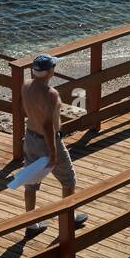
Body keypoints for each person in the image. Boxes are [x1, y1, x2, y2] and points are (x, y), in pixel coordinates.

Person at [21, 54, 87, 234]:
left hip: (30, 138)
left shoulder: (26, 86)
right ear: (50, 71)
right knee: (68, 179)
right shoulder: (51, 94)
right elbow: (48, 125)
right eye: (53, 67)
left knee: (31, 181)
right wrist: (53, 152)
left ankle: (30, 223)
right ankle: (69, 218)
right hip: (47, 140)